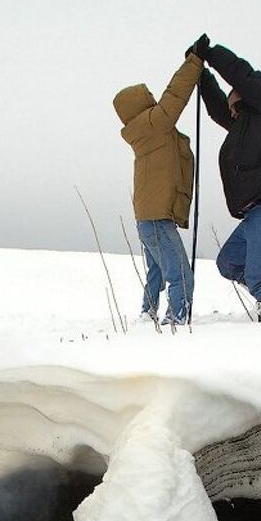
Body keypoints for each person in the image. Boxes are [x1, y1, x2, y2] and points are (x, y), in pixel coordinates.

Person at [193, 36, 261, 322]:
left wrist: (211, 54)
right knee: (228, 262)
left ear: (244, 96)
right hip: (255, 211)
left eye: (232, 101)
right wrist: (200, 73)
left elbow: (243, 74)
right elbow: (217, 109)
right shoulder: (246, 125)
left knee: (259, 274)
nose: (229, 110)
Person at [113, 38, 207, 325]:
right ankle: (177, 319)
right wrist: (194, 61)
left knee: (157, 272)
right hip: (155, 218)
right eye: (148, 95)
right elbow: (175, 95)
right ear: (140, 104)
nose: (154, 97)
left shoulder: (144, 131)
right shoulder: (153, 124)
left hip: (147, 218)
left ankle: (147, 315)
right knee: (179, 273)